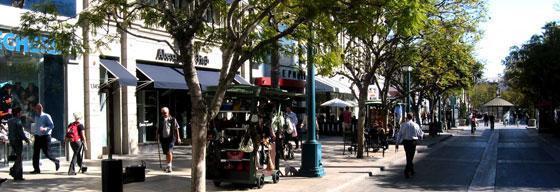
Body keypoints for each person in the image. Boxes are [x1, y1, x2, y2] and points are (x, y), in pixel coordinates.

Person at [30, 103, 60, 174]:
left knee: (47, 153)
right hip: (37, 136)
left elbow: (52, 125)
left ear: (41, 109)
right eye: (36, 108)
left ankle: (56, 161)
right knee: (35, 154)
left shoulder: (46, 116)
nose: (37, 110)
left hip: (45, 137)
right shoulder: (36, 117)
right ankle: (36, 169)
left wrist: (45, 128)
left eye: (39, 108)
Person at [396, 113, 424, 179]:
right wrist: (421, 139)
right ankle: (407, 171)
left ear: (407, 117)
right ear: (412, 117)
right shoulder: (416, 125)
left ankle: (411, 170)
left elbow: (399, 134)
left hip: (405, 142)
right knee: (411, 156)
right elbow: (420, 133)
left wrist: (397, 143)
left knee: (408, 155)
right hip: (413, 142)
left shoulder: (403, 125)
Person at [156, 107, 181, 173]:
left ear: (168, 112)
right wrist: (157, 137)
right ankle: (168, 165)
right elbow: (158, 129)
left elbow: (177, 129)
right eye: (163, 113)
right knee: (167, 153)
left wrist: (178, 138)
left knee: (169, 152)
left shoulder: (173, 119)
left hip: (171, 138)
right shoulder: (160, 120)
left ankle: (169, 166)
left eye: (165, 113)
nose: (164, 114)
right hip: (163, 138)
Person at [8, 107, 30, 181]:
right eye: (20, 112)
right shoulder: (18, 121)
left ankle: (18, 176)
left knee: (18, 158)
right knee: (19, 157)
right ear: (17, 113)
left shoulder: (9, 121)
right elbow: (21, 133)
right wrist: (26, 139)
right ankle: (14, 170)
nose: (21, 114)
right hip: (17, 141)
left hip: (12, 141)